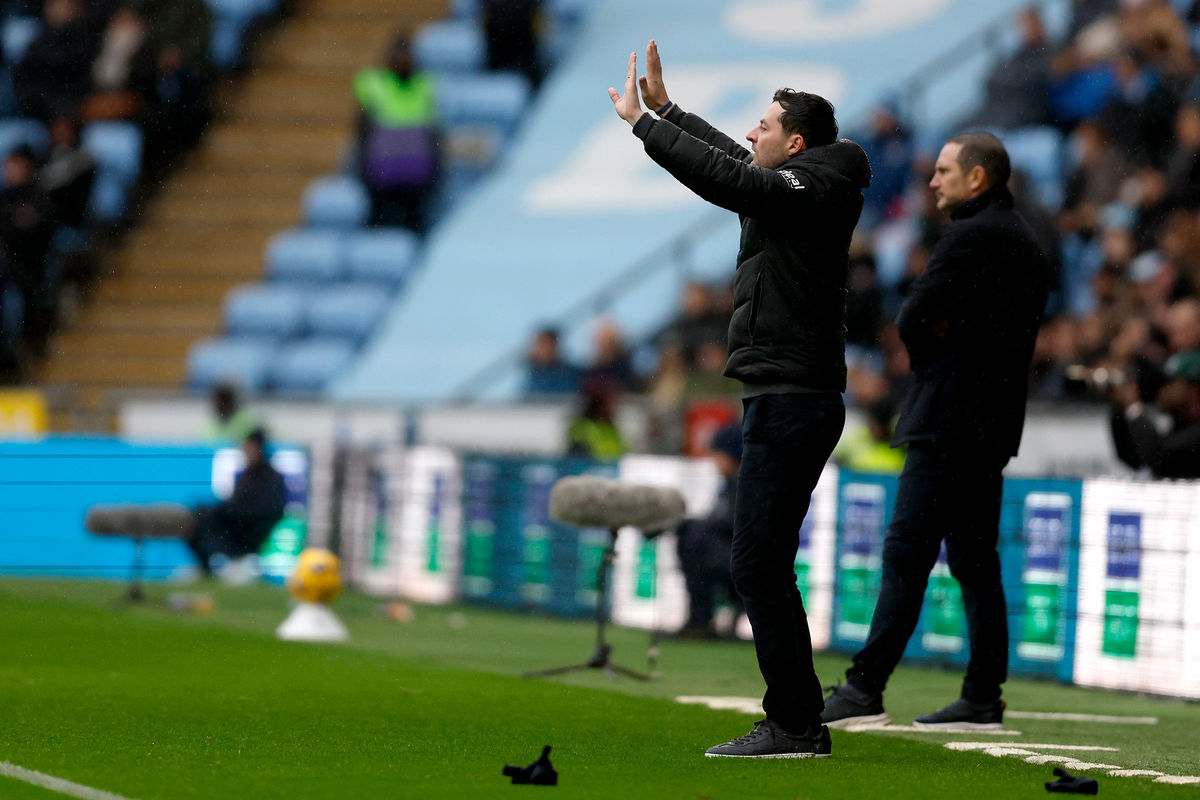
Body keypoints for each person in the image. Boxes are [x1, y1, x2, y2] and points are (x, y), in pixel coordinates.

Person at [609, 41, 871, 758]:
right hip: (782, 396)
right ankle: (797, 717)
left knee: (757, 563)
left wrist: (645, 127)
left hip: (795, 399)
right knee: (759, 561)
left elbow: (731, 179)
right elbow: (734, 161)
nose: (753, 132)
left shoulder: (811, 190)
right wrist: (668, 110)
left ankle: (793, 722)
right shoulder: (797, 186)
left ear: (797, 142)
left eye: (765, 124)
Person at [822, 132, 1049, 730]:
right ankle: (981, 696)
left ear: (978, 179)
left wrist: (929, 363)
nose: (932, 180)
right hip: (993, 422)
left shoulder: (969, 236)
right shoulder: (1024, 238)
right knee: (976, 561)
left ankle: (864, 688)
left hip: (946, 419)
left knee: (906, 554)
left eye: (945, 170)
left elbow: (912, 316)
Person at [354, 36, 439, 232]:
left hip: (417, 175)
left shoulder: (425, 86)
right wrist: (364, 171)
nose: (402, 60)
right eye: (397, 55)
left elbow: (433, 135)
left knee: (413, 228)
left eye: (406, 55)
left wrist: (434, 173)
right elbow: (362, 133)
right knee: (380, 228)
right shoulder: (372, 85)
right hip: (381, 175)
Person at [187, 429, 287, 577]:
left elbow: (260, 510)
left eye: (249, 448)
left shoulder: (270, 478)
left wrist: (223, 511)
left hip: (248, 531)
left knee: (204, 520)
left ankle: (232, 565)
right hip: (236, 523)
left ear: (259, 449)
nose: (246, 452)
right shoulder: (247, 475)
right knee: (196, 519)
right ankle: (207, 569)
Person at [674, 423, 741, 639]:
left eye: (717, 454)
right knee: (690, 534)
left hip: (744, 560)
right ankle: (701, 618)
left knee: (693, 541)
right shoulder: (732, 482)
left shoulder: (743, 483)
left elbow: (734, 524)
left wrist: (694, 526)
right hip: (736, 555)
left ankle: (700, 619)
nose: (713, 461)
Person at [1110, 349, 1200, 478]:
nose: (1162, 390)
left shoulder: (1194, 428)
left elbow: (1159, 458)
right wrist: (1119, 410)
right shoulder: (1178, 420)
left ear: (1193, 388)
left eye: (1170, 382)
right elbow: (1133, 458)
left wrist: (1133, 408)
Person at [524, 326, 580, 397]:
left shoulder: (571, 374)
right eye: (539, 345)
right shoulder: (533, 374)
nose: (540, 350)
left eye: (545, 344)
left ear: (554, 346)